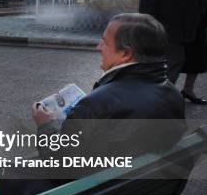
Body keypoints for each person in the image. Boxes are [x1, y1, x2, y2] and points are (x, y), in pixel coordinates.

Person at [33, 13, 186, 171]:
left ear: (125, 54)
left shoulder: (94, 105)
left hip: (86, 191)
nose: (98, 47)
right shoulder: (173, 95)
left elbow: (59, 167)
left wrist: (45, 126)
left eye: (105, 42)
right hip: (137, 186)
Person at [179, 0, 207, 104]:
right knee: (174, 60)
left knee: (196, 60)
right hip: (181, 25)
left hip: (198, 24)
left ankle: (188, 90)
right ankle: (164, 92)